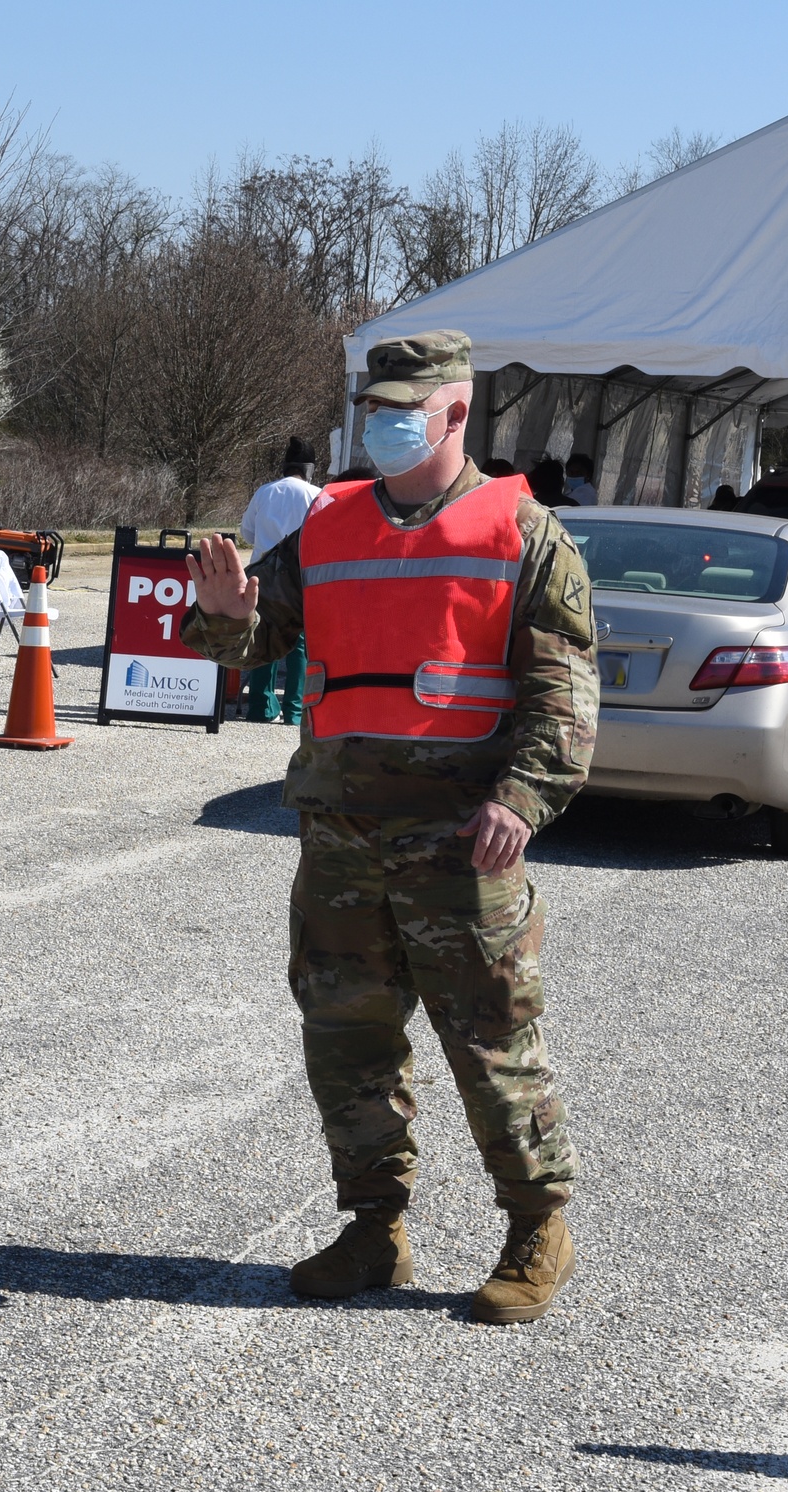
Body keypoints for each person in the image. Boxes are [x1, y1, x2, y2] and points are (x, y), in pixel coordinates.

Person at [181, 329, 599, 1324]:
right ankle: (375, 1228)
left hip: (462, 838)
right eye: (375, 406)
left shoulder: (522, 532)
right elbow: (250, 639)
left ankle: (537, 1228)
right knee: (346, 1036)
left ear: (458, 411)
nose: (385, 423)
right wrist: (227, 614)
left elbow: (564, 688)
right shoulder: (327, 527)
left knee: (491, 1040)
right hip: (341, 836)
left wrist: (522, 800)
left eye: (406, 406)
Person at [239, 437, 320, 724]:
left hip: (264, 574)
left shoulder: (264, 492)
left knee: (264, 637)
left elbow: (247, 533)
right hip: (300, 576)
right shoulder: (316, 495)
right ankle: (294, 711)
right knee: (298, 643)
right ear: (309, 468)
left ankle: (261, 707)